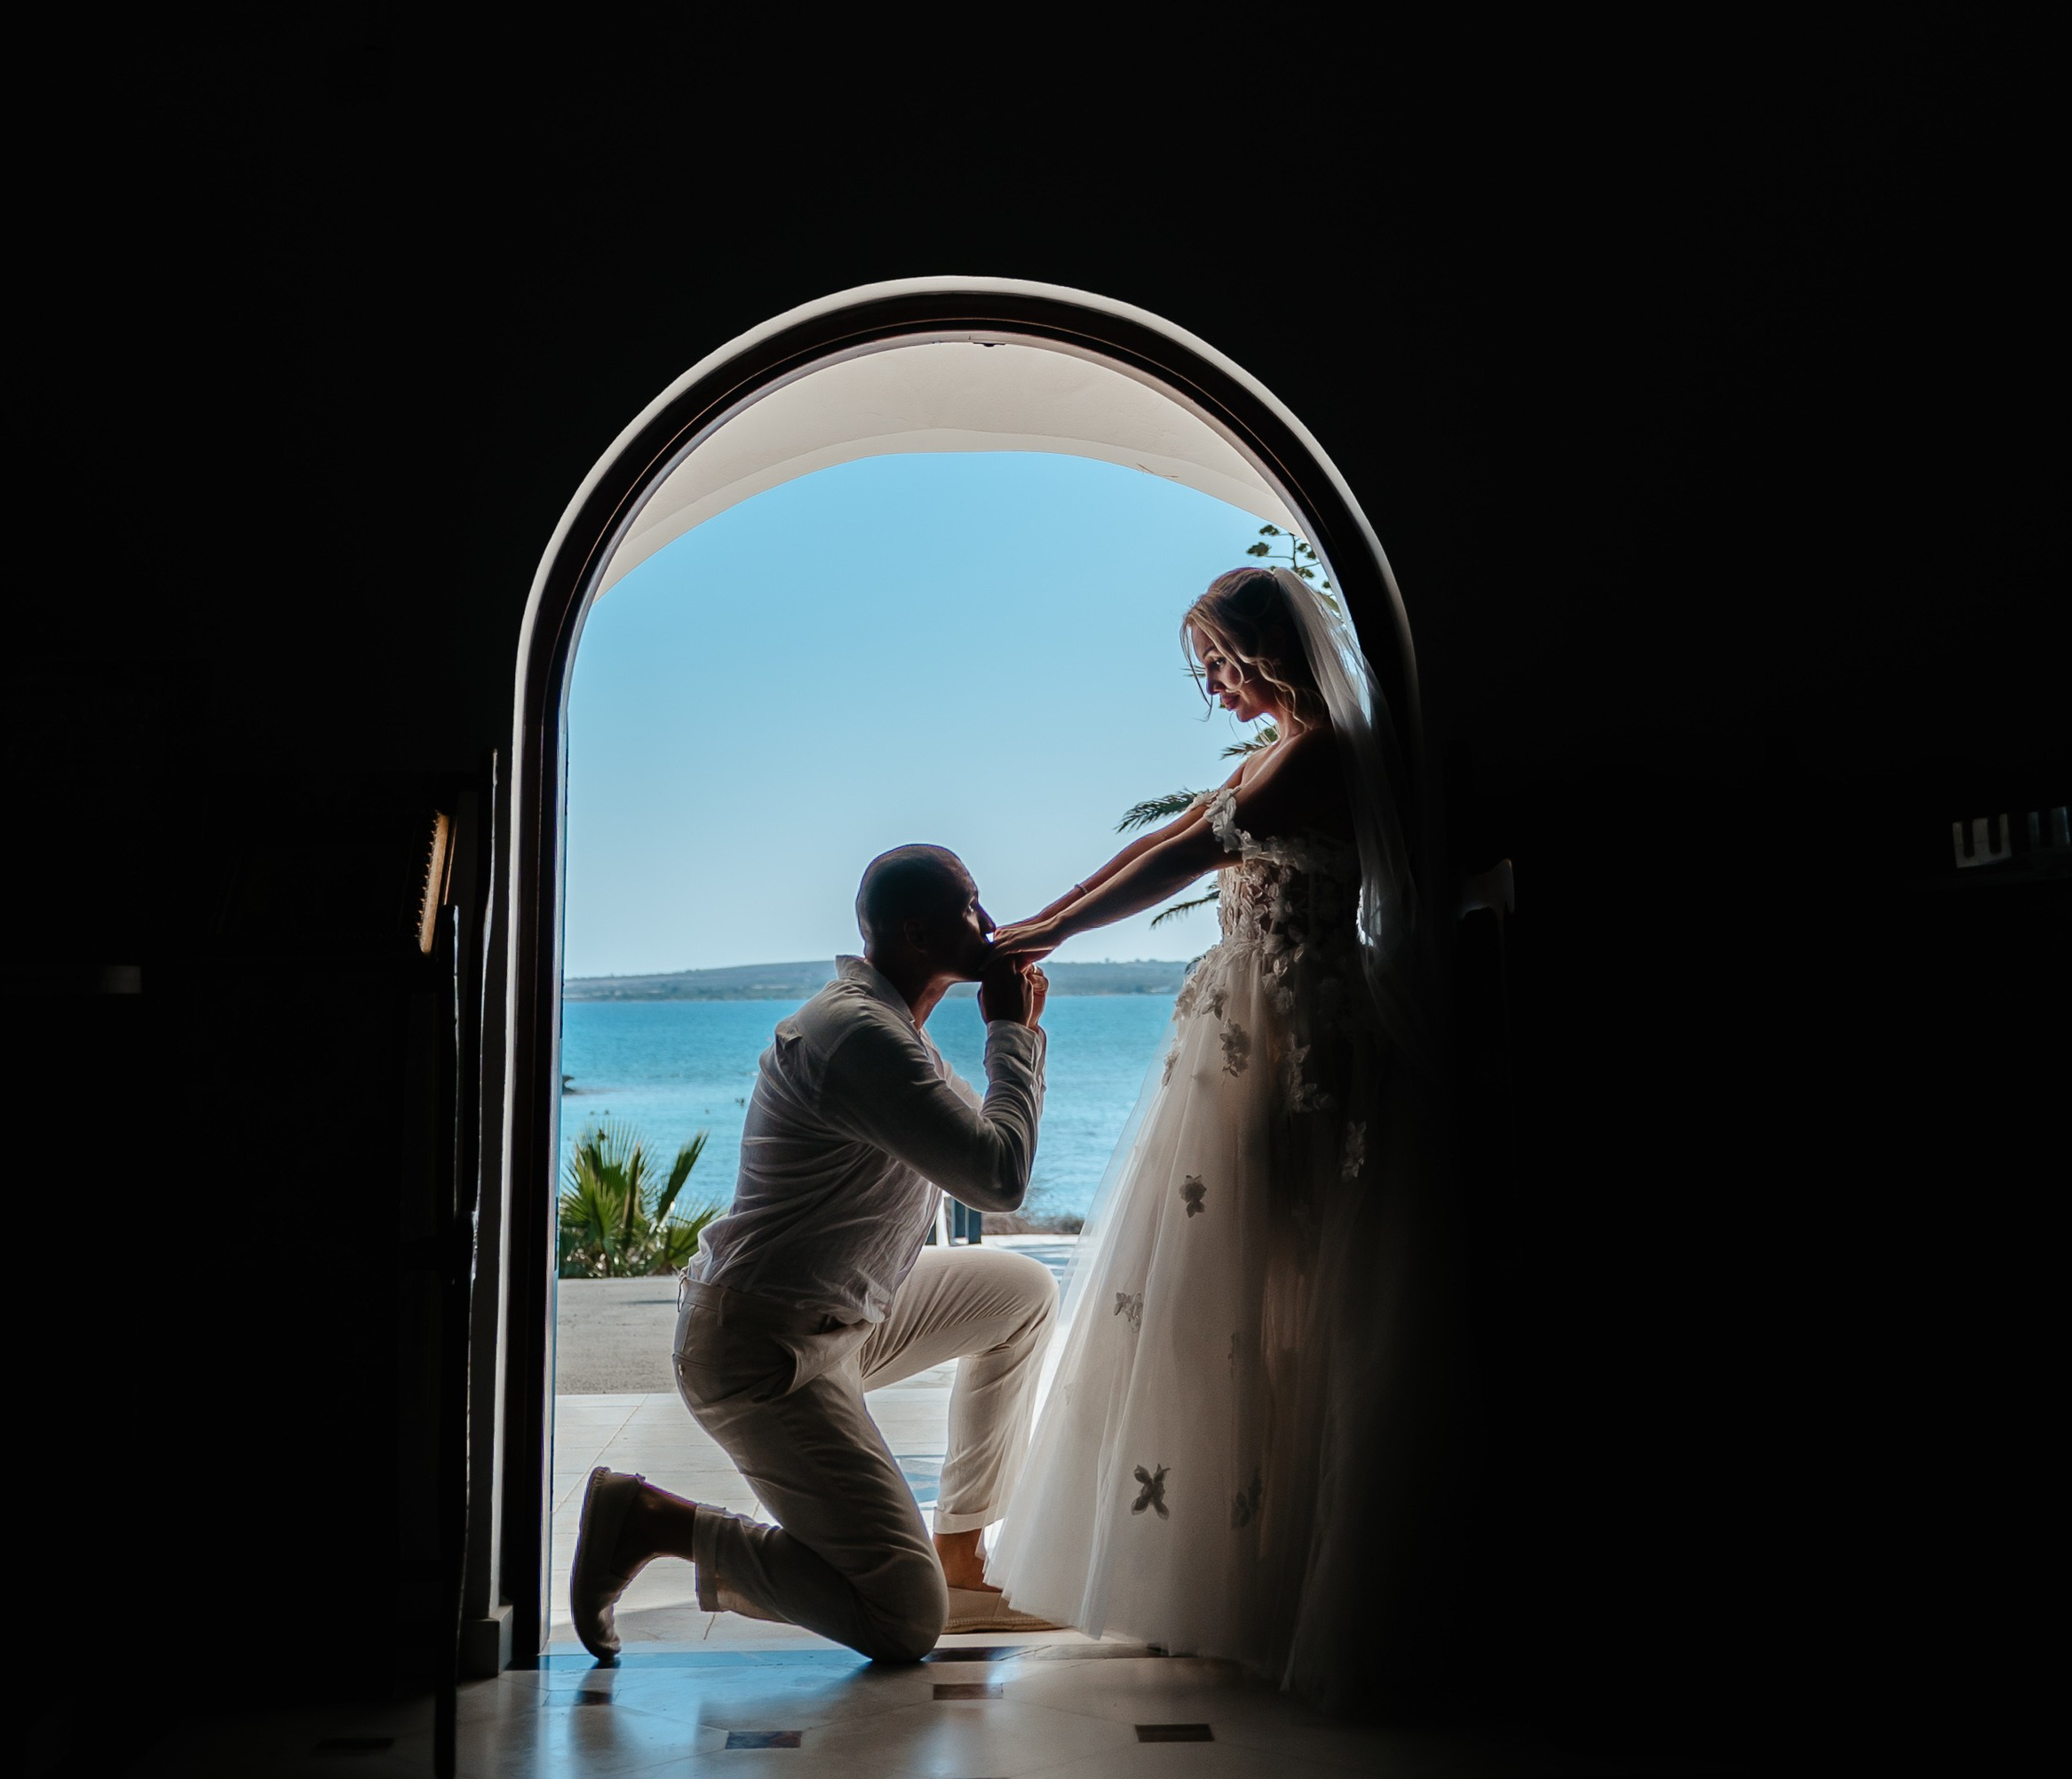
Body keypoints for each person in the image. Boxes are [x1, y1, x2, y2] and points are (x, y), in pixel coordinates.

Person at [988, 567, 1452, 1711]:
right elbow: (1180, 835)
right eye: (1207, 669)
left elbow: (1186, 858)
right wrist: (1041, 917)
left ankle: (1287, 1579)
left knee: (1289, 1300)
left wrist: (1045, 928)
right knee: (1224, 1303)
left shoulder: (1323, 750)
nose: (1215, 684)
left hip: (1299, 1046)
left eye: (1222, 662)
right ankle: (1231, 1568)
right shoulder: (1269, 753)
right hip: (1240, 1039)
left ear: (1266, 650)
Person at [568, 843, 1057, 1664]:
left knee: (1021, 1293)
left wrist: (1013, 1037)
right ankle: (656, 1521)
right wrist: (1011, 1032)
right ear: (915, 933)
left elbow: (979, 1144)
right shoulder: (861, 1035)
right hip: (764, 1351)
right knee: (903, 1619)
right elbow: (999, 1178)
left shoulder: (895, 1029)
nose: (990, 921)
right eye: (971, 906)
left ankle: (962, 1546)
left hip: (845, 1316)